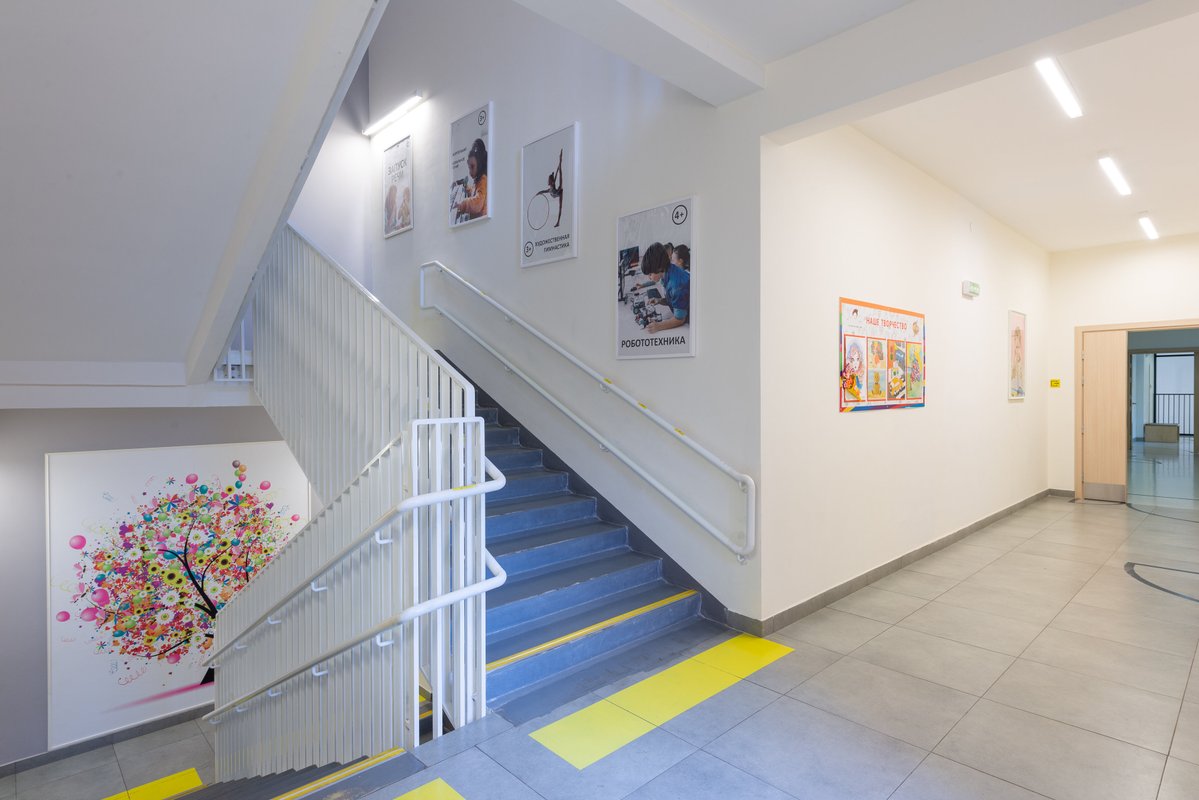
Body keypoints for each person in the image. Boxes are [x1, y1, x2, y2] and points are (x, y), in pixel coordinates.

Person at [637, 242, 689, 334]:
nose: (649, 277)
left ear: (659, 268)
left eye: (650, 274)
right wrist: (660, 300)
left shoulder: (677, 285)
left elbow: (680, 319)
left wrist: (658, 326)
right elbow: (673, 299)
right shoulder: (668, 271)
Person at [456, 138, 488, 219]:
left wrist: (463, 204)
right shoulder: (478, 179)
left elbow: (478, 203)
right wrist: (467, 187)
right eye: (469, 167)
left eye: (472, 167)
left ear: (480, 164)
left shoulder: (483, 180)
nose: (470, 172)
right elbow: (474, 192)